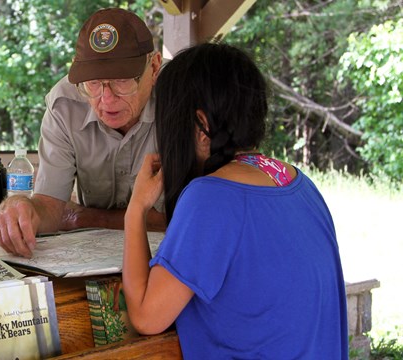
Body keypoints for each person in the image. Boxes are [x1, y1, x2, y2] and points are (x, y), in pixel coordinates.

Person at [122, 43, 348, 358]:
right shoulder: (299, 183)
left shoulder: (210, 197)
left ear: (202, 128)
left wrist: (136, 209)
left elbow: (147, 316)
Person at [0, 8, 166, 258]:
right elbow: (50, 208)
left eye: (122, 81)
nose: (106, 99)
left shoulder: (186, 97)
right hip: (93, 260)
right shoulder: (64, 104)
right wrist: (23, 208)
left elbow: (193, 216)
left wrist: (86, 217)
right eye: (93, 83)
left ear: (155, 66)